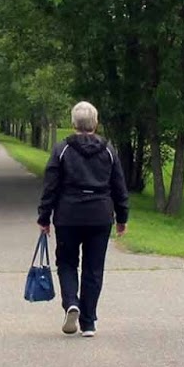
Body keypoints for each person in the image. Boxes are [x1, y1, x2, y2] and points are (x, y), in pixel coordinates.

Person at [36, 101, 129, 337]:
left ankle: (71, 303)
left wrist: (44, 216)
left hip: (69, 215)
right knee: (93, 268)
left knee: (66, 262)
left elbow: (51, 186)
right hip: (100, 215)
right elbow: (119, 186)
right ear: (95, 123)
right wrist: (122, 216)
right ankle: (88, 322)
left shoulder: (62, 149)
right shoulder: (108, 150)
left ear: (73, 123)